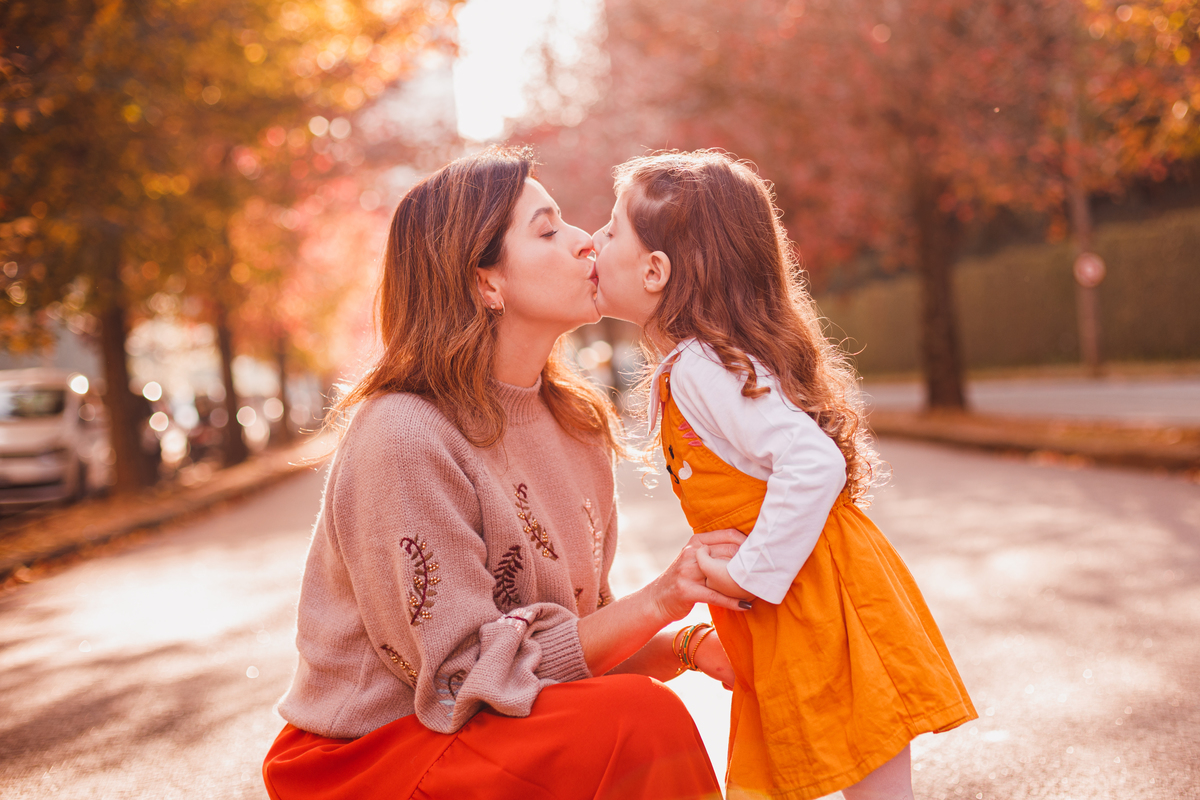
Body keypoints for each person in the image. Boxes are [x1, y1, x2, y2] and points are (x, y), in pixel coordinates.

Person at [261, 147, 749, 800]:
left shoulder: (575, 422)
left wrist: (688, 645)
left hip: (493, 730)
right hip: (373, 756)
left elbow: (573, 651)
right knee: (638, 719)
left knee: (640, 706)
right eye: (547, 231)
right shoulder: (405, 433)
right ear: (484, 282)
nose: (585, 243)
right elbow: (468, 678)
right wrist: (665, 594)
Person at [590, 150, 977, 800]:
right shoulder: (701, 365)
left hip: (816, 602)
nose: (593, 242)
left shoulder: (699, 367)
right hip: (805, 601)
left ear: (655, 270)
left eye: (610, 229)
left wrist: (749, 573)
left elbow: (812, 460)